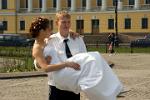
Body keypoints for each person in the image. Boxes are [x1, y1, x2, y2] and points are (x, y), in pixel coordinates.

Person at [30, 16, 123, 100]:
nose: (66, 25)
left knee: (95, 58)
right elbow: (40, 63)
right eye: (63, 22)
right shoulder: (50, 40)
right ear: (57, 23)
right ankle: (109, 92)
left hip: (73, 81)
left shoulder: (77, 39)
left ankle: (111, 89)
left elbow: (84, 55)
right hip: (56, 83)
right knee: (94, 59)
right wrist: (40, 63)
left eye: (68, 22)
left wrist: (71, 33)